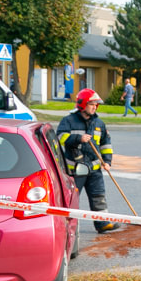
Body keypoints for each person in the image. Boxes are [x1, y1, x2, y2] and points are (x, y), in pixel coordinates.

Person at [57, 88, 120, 234]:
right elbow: (60, 137)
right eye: (92, 104)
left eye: (96, 105)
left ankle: (103, 223)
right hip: (75, 169)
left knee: (98, 196)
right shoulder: (69, 121)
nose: (95, 107)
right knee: (72, 198)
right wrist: (78, 138)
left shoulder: (99, 123)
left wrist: (107, 161)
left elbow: (105, 144)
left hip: (94, 168)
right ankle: (68, 226)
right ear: (82, 104)